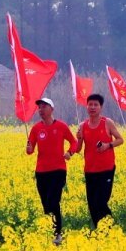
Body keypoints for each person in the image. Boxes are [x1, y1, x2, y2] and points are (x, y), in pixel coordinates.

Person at [24, 97, 78, 236]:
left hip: (58, 170)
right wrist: (29, 148)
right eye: (39, 107)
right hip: (41, 171)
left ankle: (57, 233)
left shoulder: (61, 126)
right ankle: (50, 231)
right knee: (46, 204)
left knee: (53, 201)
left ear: (51, 109)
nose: (41, 110)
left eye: (44, 107)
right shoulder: (36, 128)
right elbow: (30, 151)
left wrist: (69, 152)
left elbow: (74, 142)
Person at [74, 92, 123, 229]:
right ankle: (100, 229)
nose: (92, 107)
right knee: (92, 204)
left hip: (106, 169)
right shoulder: (83, 126)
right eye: (90, 104)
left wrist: (108, 145)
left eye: (96, 105)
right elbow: (78, 149)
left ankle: (110, 228)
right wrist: (79, 138)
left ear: (100, 107)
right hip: (90, 170)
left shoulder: (107, 122)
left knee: (101, 202)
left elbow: (120, 140)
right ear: (87, 107)